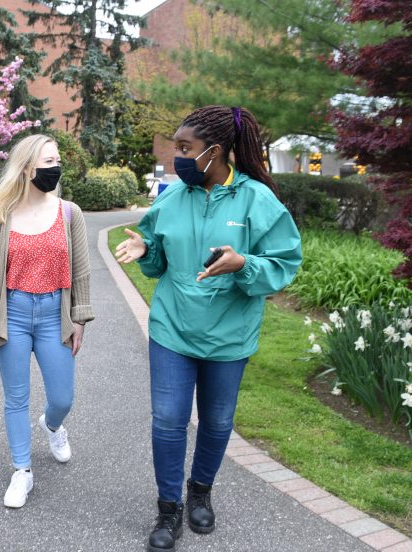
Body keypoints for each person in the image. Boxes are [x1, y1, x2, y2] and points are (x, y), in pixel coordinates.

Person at [114, 106, 302, 551]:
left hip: (228, 334)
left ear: (214, 151)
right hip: (173, 330)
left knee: (217, 421)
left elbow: (284, 263)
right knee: (168, 420)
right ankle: (168, 510)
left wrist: (244, 263)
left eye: (185, 149)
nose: (177, 157)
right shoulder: (170, 197)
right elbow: (158, 261)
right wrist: (144, 247)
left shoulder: (257, 200)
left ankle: (200, 492)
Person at [0, 134, 95, 509]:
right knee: (16, 398)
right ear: (27, 169)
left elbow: (82, 270)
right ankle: (21, 471)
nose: (55, 168)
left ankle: (53, 426)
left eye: (57, 160)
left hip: (53, 315)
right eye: (47, 162)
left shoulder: (69, 212)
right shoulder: (1, 215)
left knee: (62, 397)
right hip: (13, 313)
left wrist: (80, 320)